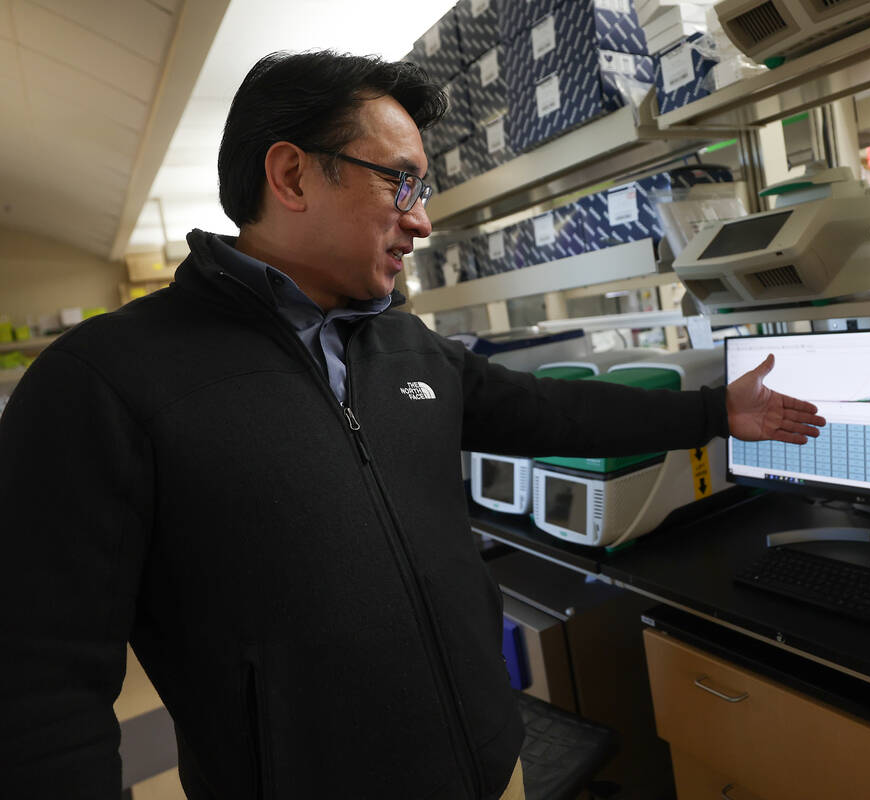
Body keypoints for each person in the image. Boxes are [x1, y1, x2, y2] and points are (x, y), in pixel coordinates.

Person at [0, 51, 824, 799]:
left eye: (421, 190)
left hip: (492, 767)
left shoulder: (404, 343)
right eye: (400, 182)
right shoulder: (104, 381)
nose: (422, 221)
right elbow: (38, 685)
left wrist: (715, 411)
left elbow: (548, 409)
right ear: (291, 176)